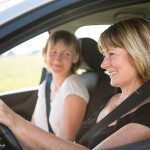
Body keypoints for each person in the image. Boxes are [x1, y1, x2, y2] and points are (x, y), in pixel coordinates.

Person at [0, 17, 150, 150]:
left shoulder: (146, 113)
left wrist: (14, 120)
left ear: (138, 54)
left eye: (111, 54)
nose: (103, 64)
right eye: (104, 55)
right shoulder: (110, 100)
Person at [31, 30, 89, 141]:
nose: (58, 59)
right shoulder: (46, 84)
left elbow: (66, 141)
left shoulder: (73, 88)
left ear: (75, 57)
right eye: (53, 52)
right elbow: (34, 122)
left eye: (66, 54)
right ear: (45, 53)